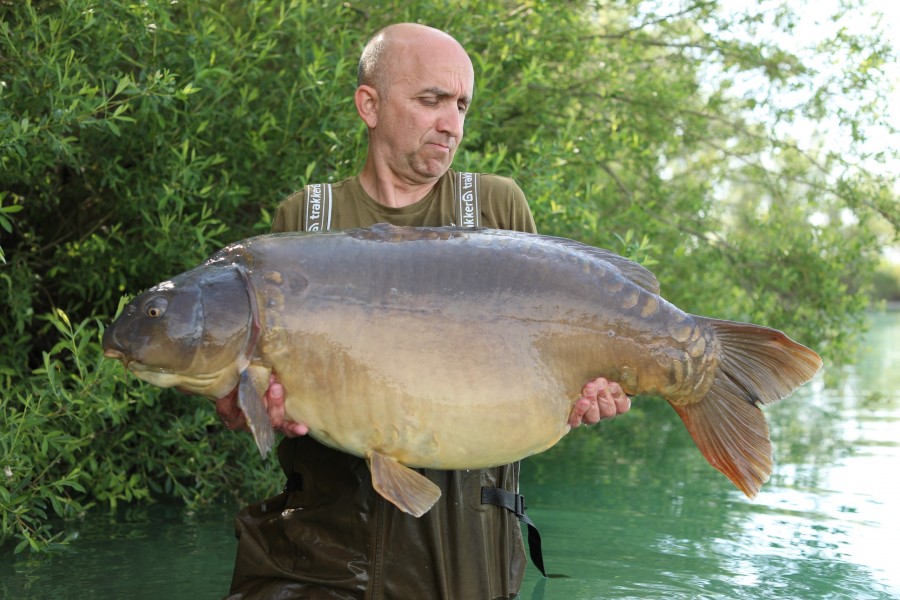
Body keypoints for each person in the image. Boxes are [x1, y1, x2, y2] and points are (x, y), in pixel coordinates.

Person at [217, 23, 630, 600]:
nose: (452, 122)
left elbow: (547, 359)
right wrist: (248, 408)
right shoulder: (305, 222)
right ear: (370, 104)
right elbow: (247, 398)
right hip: (324, 552)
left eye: (461, 104)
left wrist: (587, 394)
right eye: (431, 100)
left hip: (467, 555)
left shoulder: (495, 206)